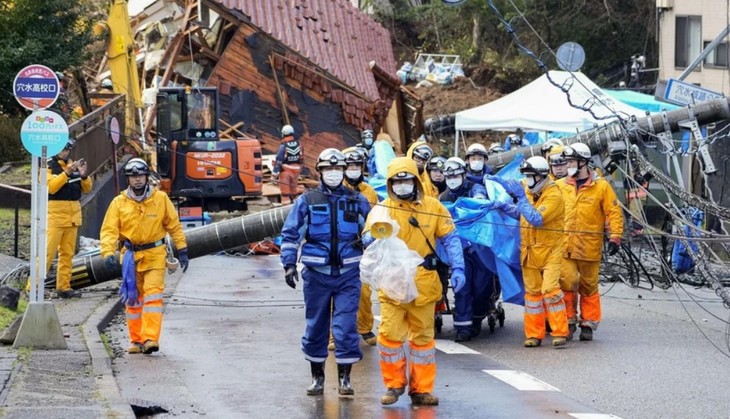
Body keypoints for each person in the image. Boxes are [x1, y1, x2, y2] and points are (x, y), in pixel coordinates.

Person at [363, 157, 465, 406]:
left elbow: (451, 238)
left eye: (407, 180)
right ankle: (394, 384)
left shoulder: (434, 207)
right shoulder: (382, 209)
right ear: (389, 184)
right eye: (397, 182)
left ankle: (421, 389)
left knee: (422, 339)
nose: (402, 185)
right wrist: (376, 233)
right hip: (392, 283)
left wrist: (459, 266)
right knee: (390, 335)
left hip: (423, 282)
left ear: (415, 180)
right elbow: (367, 239)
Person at [279, 148, 371, 396]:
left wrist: (377, 247)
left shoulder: (357, 200)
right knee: (316, 327)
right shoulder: (307, 201)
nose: (333, 173)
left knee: (344, 327)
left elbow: (374, 231)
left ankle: (345, 380)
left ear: (344, 172)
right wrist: (289, 264)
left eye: (337, 169)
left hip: (348, 275)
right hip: (316, 275)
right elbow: (290, 234)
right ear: (320, 171)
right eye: (328, 169)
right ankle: (317, 378)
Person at [100, 158, 189, 355]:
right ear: (128, 180)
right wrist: (107, 253)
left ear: (147, 177)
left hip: (155, 256)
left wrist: (182, 249)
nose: (137, 180)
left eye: (140, 176)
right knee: (133, 300)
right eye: (133, 177)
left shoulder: (160, 199)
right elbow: (109, 231)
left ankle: (150, 338)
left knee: (153, 296)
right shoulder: (119, 203)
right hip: (130, 257)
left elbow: (173, 225)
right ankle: (136, 340)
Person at [492, 157, 568, 347]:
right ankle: (534, 334)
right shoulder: (529, 190)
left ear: (541, 176)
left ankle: (559, 332)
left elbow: (536, 218)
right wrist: (505, 207)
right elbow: (522, 214)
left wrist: (521, 198)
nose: (527, 180)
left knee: (550, 290)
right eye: (525, 176)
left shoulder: (553, 196)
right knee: (533, 295)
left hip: (551, 250)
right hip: (530, 250)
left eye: (530, 176)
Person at [560, 143, 624, 341]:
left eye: (571, 161)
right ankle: (569, 321)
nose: (568, 165)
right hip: (565, 246)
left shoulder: (601, 186)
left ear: (583, 162)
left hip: (589, 246)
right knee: (568, 281)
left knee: (588, 286)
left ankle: (588, 323)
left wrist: (615, 237)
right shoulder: (561, 185)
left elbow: (613, 212)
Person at [438, 157, 496, 342]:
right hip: (458, 250)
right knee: (461, 287)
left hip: (478, 248)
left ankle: (478, 317)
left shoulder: (474, 189)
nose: (452, 179)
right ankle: (463, 327)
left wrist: (473, 204)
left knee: (481, 286)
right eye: (448, 176)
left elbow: (480, 203)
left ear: (463, 174)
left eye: (455, 175)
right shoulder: (443, 198)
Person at [340, 147, 379, 347]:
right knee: (336, 292)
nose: (354, 169)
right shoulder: (337, 191)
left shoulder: (369, 192)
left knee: (364, 290)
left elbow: (374, 218)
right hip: (340, 247)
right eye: (350, 166)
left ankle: (364, 327)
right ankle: (334, 333)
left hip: (362, 247)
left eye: (357, 166)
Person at [46, 139, 92, 298]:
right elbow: (51, 188)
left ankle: (64, 287)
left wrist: (84, 176)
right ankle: (33, 287)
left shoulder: (72, 164)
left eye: (67, 149)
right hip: (55, 215)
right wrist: (66, 173)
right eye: (63, 149)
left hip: (73, 215)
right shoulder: (48, 165)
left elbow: (87, 188)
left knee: (67, 254)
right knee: (47, 253)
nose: (66, 152)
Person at [273, 124, 303, 204]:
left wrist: (274, 173)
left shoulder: (283, 146)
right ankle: (296, 205)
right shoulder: (299, 144)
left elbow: (279, 160)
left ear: (283, 134)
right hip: (296, 170)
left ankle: (286, 208)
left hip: (285, 171)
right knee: (294, 191)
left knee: (285, 193)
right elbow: (301, 158)